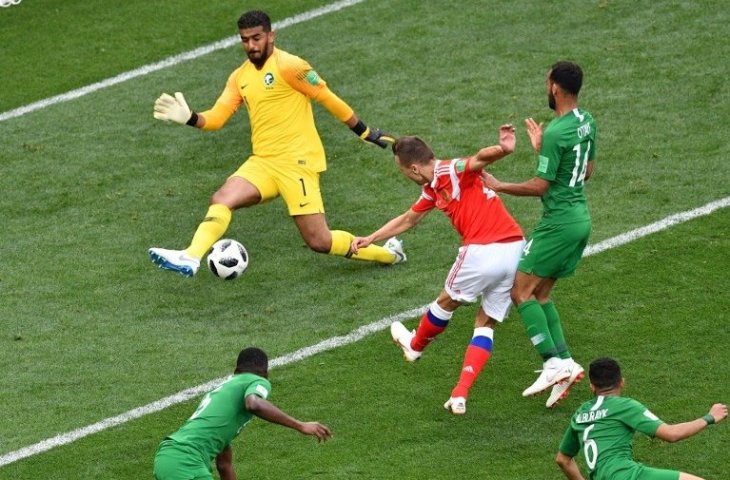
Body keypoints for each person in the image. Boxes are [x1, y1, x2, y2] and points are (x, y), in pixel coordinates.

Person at [149, 10, 403, 277]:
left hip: (298, 163)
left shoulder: (291, 66)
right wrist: (190, 118)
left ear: (271, 35)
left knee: (319, 241)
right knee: (222, 198)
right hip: (263, 162)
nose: (251, 45)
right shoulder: (239, 77)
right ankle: (191, 256)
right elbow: (217, 117)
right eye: (245, 40)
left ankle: (389, 254)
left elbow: (327, 97)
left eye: (256, 38)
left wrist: (364, 131)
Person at [352, 126, 524, 415]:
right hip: (514, 249)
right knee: (485, 322)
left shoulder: (450, 171)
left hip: (482, 250)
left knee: (446, 302)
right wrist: (371, 238)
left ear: (415, 168)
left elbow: (478, 159)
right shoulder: (431, 188)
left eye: (403, 171)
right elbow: (409, 219)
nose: (404, 176)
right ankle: (459, 394)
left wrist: (503, 149)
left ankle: (416, 345)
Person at [483, 61, 596, 408]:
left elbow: (540, 185)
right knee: (542, 294)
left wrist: (500, 185)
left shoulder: (556, 132)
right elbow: (585, 171)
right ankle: (565, 363)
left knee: (520, 291)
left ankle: (550, 363)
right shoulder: (586, 121)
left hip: (559, 223)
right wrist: (542, 150)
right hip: (580, 220)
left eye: (547, 83)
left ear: (555, 88)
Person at [153, 347, 332, 480]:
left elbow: (224, 465)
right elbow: (253, 404)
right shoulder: (255, 380)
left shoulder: (224, 393)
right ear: (265, 373)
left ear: (236, 370)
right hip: (185, 460)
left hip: (172, 457)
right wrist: (300, 425)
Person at [556, 357, 727, 480]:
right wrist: (710, 417)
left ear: (592, 386)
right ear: (622, 382)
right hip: (627, 475)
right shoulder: (625, 406)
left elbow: (563, 460)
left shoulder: (580, 414)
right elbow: (671, 434)